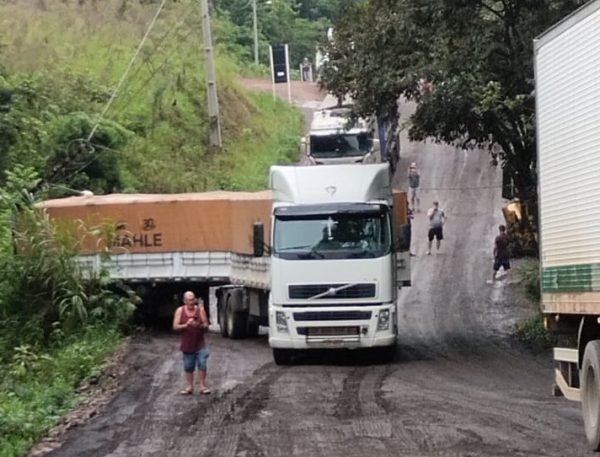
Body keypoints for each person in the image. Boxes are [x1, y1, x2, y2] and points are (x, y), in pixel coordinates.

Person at [173, 291, 210, 395]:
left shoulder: (200, 310)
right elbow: (175, 327)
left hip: (200, 343)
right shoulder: (180, 311)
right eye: (189, 300)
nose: (191, 302)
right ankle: (190, 387)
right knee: (188, 366)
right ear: (184, 301)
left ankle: (203, 386)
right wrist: (186, 325)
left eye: (193, 299)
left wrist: (198, 325)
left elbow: (206, 326)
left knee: (202, 363)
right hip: (187, 344)